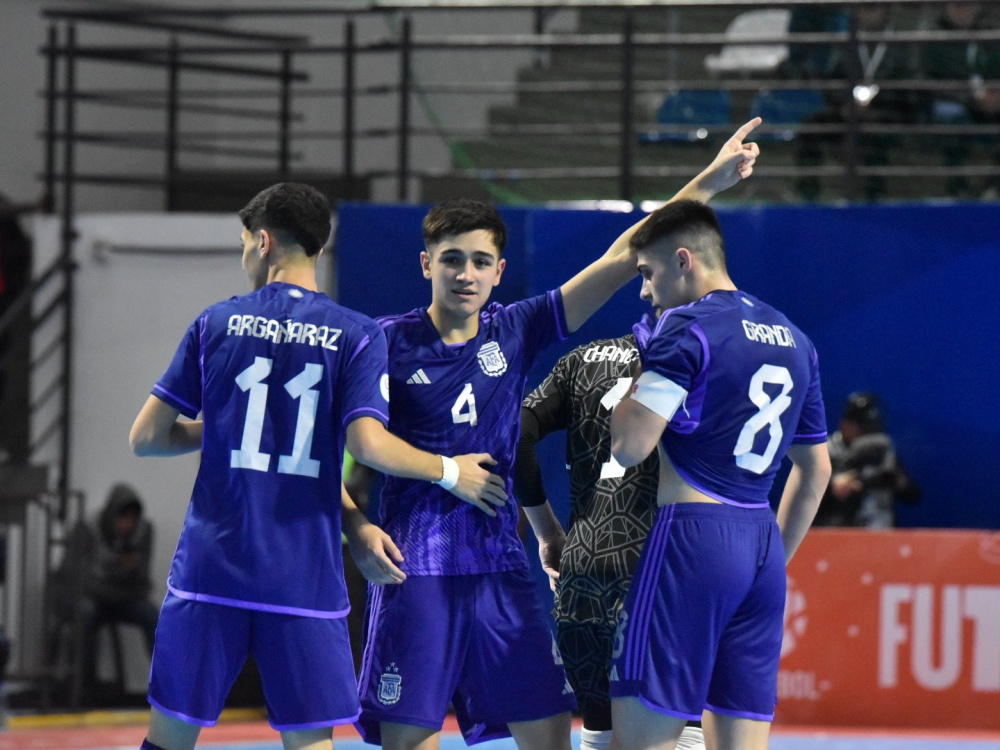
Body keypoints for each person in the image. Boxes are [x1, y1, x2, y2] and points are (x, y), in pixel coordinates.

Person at [355, 119, 763, 750]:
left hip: (500, 572)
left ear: (499, 271)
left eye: (481, 262)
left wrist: (707, 182)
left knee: (549, 741)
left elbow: (627, 256)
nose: (465, 274)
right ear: (425, 263)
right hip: (416, 571)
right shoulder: (381, 342)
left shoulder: (516, 330)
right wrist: (364, 523)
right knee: (408, 743)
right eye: (452, 259)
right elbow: (348, 461)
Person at [128, 182, 506, 750]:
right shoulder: (356, 334)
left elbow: (147, 439)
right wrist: (448, 471)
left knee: (171, 735)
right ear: (320, 249)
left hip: (212, 568)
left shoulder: (217, 322)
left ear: (262, 242)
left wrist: (219, 428)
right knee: (309, 740)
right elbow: (368, 445)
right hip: (303, 574)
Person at [606, 200, 832, 750]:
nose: (644, 291)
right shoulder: (797, 339)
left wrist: (640, 369)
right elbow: (816, 469)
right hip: (761, 551)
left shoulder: (684, 327)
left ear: (683, 261)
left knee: (640, 741)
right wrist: (772, 556)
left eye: (647, 273)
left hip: (692, 539)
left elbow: (630, 448)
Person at [515, 337, 704, 750]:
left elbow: (517, 431)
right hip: (658, 573)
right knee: (679, 730)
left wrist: (546, 531)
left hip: (582, 573)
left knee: (600, 731)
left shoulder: (580, 360)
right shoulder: (694, 356)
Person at [794, 3, 920, 201]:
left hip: (887, 112)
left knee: (875, 132)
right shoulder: (848, 41)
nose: (867, 13)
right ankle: (808, 194)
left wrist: (875, 103)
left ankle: (874, 197)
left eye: (873, 7)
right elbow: (833, 80)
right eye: (863, 8)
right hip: (846, 111)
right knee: (812, 127)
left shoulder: (901, 43)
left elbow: (909, 86)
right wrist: (846, 105)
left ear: (886, 10)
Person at [50, 483, 160, 699]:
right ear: (111, 516)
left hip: (118, 599)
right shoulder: (88, 529)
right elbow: (79, 581)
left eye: (132, 519)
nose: (127, 524)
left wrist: (132, 570)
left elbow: (144, 584)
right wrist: (119, 583)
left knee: (150, 613)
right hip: (85, 598)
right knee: (87, 611)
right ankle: (83, 684)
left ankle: (167, 684)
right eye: (123, 517)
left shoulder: (142, 532)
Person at [918, 1, 1000, 197]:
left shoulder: (990, 37)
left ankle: (994, 187)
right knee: (953, 118)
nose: (963, 11)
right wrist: (971, 99)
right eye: (957, 5)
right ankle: (956, 188)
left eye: (968, 5)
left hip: (988, 107)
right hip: (951, 105)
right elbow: (926, 81)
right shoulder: (934, 38)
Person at [813, 391, 920, 528]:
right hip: (840, 532)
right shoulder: (828, 450)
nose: (868, 434)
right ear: (845, 424)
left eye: (872, 427)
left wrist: (900, 480)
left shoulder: (880, 449)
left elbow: (912, 496)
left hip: (881, 533)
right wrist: (834, 487)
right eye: (863, 427)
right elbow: (805, 498)